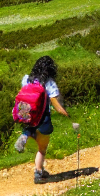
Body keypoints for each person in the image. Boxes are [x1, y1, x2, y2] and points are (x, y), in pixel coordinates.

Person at [15, 56, 72, 184]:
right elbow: (57, 105)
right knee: (42, 148)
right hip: (43, 119)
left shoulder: (26, 79)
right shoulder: (49, 83)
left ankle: (26, 135)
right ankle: (38, 172)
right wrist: (69, 116)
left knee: (31, 130)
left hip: (28, 117)